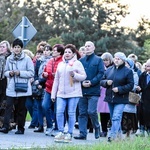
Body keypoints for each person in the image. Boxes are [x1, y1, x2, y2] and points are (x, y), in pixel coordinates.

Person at [51, 44, 86, 143]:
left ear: (73, 54)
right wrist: (53, 94)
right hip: (61, 93)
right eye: (65, 52)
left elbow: (83, 76)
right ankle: (61, 131)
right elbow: (56, 80)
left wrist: (75, 75)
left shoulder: (77, 63)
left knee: (71, 113)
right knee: (59, 111)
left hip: (73, 93)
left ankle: (69, 133)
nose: (67, 54)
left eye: (69, 52)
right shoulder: (61, 64)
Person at [0, 38, 34, 134]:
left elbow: (31, 73)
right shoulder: (9, 59)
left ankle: (20, 128)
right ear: (12, 48)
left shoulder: (27, 59)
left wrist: (20, 73)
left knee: (21, 109)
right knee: (8, 107)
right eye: (15, 47)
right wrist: (9, 73)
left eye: (18, 47)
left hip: (23, 87)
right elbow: (5, 72)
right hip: (11, 87)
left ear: (21, 48)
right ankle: (5, 127)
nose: (16, 49)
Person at [100, 52, 134, 142]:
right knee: (114, 118)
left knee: (116, 117)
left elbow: (131, 85)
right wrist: (106, 82)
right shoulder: (109, 69)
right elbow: (102, 81)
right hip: (110, 98)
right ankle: (118, 136)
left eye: (118, 59)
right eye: (115, 58)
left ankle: (112, 136)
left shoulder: (128, 71)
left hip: (121, 98)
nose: (116, 60)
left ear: (123, 60)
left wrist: (119, 89)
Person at [74, 41, 104, 140]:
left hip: (93, 90)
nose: (87, 48)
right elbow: (76, 73)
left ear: (93, 47)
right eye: (85, 46)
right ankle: (82, 134)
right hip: (82, 90)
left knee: (91, 111)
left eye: (89, 46)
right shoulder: (81, 60)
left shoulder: (98, 60)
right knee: (82, 113)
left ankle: (97, 126)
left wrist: (92, 82)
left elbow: (101, 73)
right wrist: (81, 82)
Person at [42, 44, 64, 136]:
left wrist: (58, 75)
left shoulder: (63, 62)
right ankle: (49, 126)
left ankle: (57, 128)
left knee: (57, 110)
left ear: (59, 52)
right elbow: (44, 71)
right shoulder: (50, 61)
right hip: (48, 87)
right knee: (45, 106)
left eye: (55, 50)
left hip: (58, 89)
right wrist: (45, 74)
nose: (53, 52)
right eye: (53, 50)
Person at [33, 44, 52, 133]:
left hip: (47, 86)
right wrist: (37, 82)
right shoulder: (39, 61)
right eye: (44, 50)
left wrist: (42, 83)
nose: (46, 52)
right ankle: (40, 125)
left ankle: (49, 124)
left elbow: (49, 75)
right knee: (39, 106)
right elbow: (36, 72)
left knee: (46, 107)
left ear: (51, 51)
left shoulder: (51, 61)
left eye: (48, 50)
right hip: (38, 85)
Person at [97, 52, 113, 137]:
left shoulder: (113, 68)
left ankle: (110, 127)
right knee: (102, 112)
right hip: (102, 91)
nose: (105, 62)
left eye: (106, 60)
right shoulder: (100, 68)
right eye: (103, 60)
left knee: (110, 111)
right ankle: (104, 130)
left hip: (110, 91)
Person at [121, 58, 139, 137]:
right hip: (120, 96)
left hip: (129, 97)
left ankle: (127, 134)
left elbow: (134, 86)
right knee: (120, 115)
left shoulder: (134, 74)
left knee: (129, 117)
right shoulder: (120, 72)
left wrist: (124, 88)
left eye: (127, 64)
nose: (125, 65)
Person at [136, 59, 150, 136]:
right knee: (142, 114)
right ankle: (142, 128)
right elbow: (139, 86)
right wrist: (139, 89)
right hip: (144, 99)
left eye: (148, 66)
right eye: (146, 66)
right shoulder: (143, 75)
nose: (146, 68)